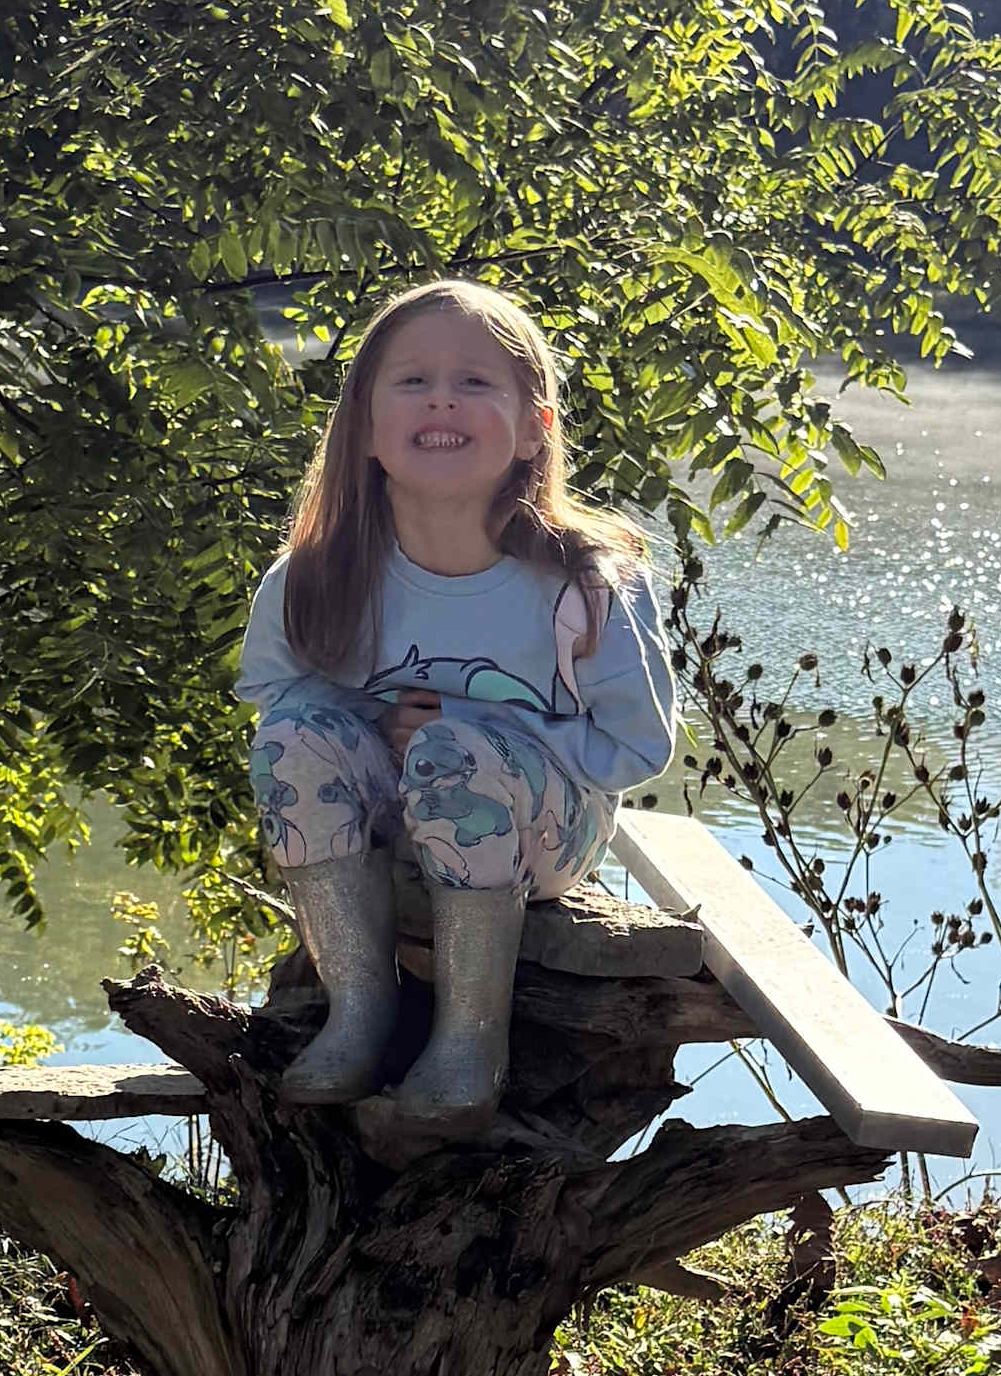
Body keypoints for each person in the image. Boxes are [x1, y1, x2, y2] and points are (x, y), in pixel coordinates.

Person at [238, 283, 680, 1128]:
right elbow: (280, 709)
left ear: (533, 429)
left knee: (460, 752)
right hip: (388, 824)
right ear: (365, 428)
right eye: (413, 381)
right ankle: (360, 1010)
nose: (442, 397)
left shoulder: (582, 584)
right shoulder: (320, 574)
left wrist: (468, 730)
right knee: (295, 734)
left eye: (475, 383)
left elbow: (637, 746)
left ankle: (471, 1039)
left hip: (544, 833)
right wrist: (387, 730)